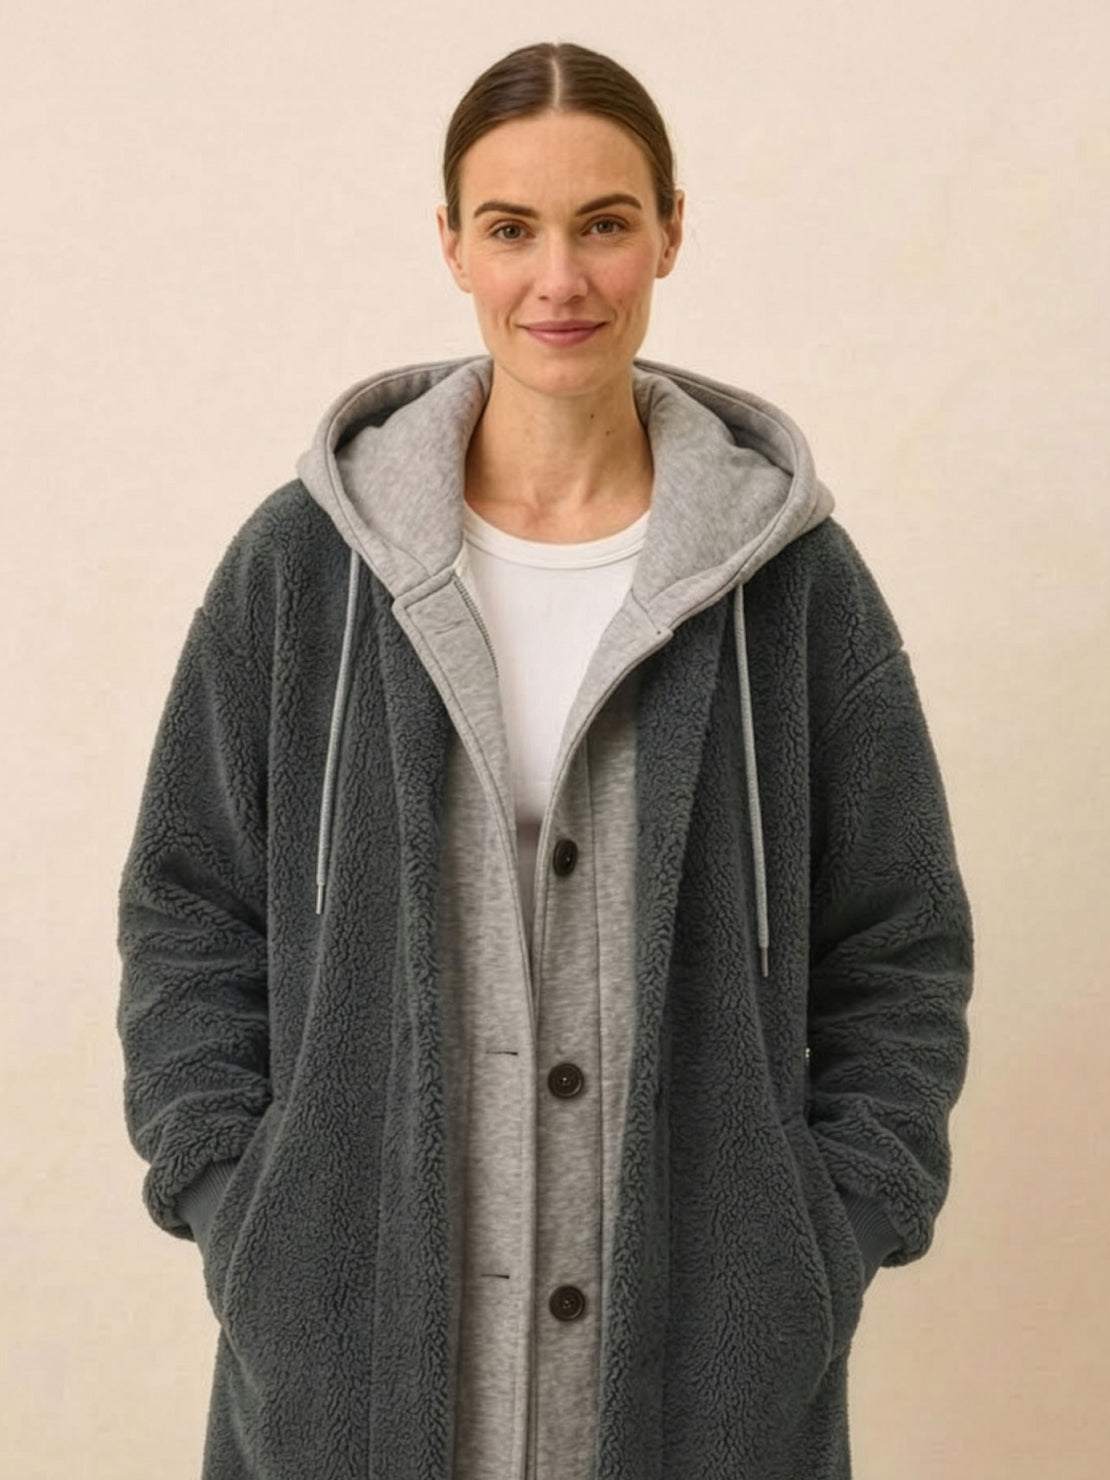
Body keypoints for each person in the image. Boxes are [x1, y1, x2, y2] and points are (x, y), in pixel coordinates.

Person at [115, 38, 975, 1480]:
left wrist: (825, 1233)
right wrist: (238, 1200)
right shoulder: (307, 568)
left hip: (708, 1373)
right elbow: (187, 903)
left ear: (671, 233)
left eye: (604, 223)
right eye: (511, 228)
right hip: (346, 1363)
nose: (559, 280)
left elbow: (898, 939)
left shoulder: (791, 588)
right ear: (452, 243)